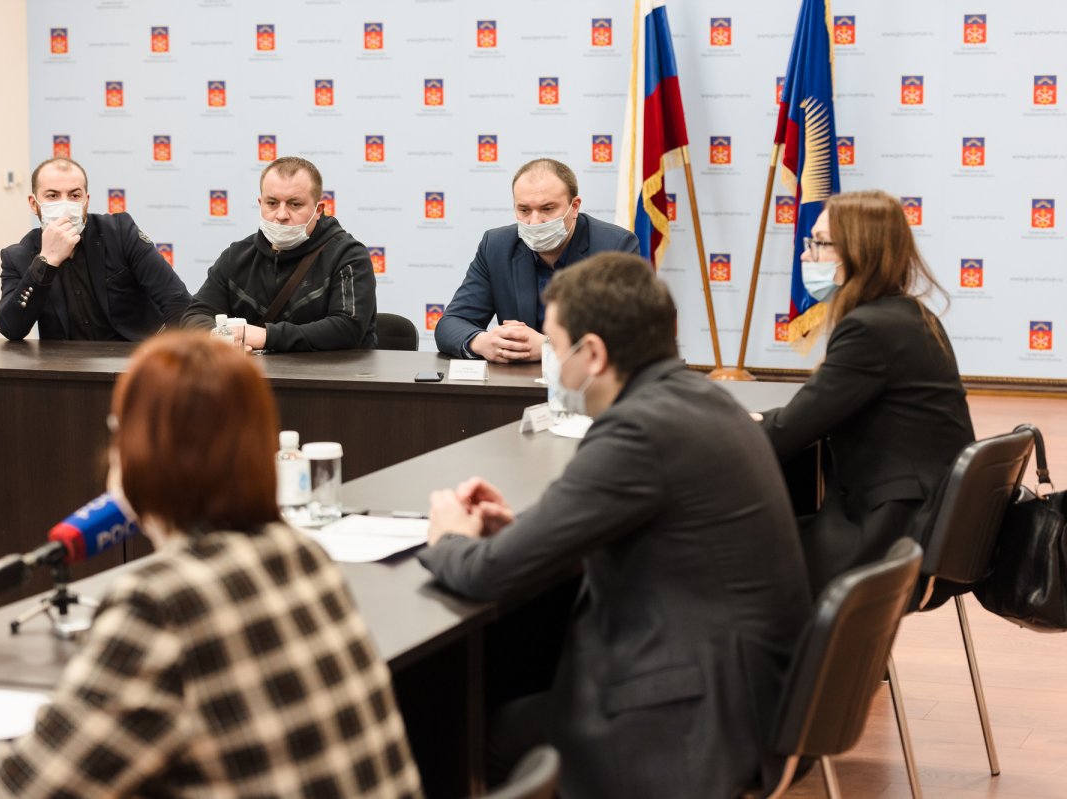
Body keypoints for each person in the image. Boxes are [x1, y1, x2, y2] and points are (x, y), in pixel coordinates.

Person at [418, 253, 811, 798]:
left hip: (691, 718)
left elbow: (487, 574)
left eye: (555, 348)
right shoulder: (699, 399)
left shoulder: (639, 432)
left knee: (452, 735)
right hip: (751, 693)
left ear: (594, 354)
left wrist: (448, 537)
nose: (552, 364)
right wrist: (516, 534)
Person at [0, 332, 423, 798]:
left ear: (140, 450)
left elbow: (25, 789)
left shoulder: (158, 602)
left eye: (118, 431)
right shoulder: (303, 554)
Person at [756, 189, 975, 597]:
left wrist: (727, 424)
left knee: (735, 558)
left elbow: (787, 431)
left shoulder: (868, 330)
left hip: (893, 533)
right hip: (932, 525)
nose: (805, 255)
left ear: (860, 252)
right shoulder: (911, 315)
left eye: (819, 243)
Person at [434, 158, 639, 362]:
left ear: (575, 207)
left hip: (587, 378)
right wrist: (482, 341)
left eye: (547, 208)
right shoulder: (497, 246)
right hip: (516, 380)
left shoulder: (615, 247)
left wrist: (550, 347)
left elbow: (629, 336)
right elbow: (451, 324)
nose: (534, 222)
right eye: (524, 210)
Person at [181, 157, 377, 351]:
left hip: (332, 372)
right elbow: (195, 316)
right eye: (272, 203)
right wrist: (223, 339)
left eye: (295, 204)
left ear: (318, 210)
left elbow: (348, 328)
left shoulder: (348, 255)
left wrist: (266, 337)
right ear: (261, 203)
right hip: (252, 371)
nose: (281, 215)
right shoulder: (237, 256)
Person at [0, 157, 192, 341]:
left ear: (86, 201)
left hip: (135, 357)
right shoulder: (18, 257)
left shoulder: (120, 233)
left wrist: (166, 355)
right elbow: (11, 328)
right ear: (34, 204)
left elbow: (178, 301)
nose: (65, 205)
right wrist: (45, 262)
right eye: (53, 196)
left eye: (74, 195)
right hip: (66, 363)